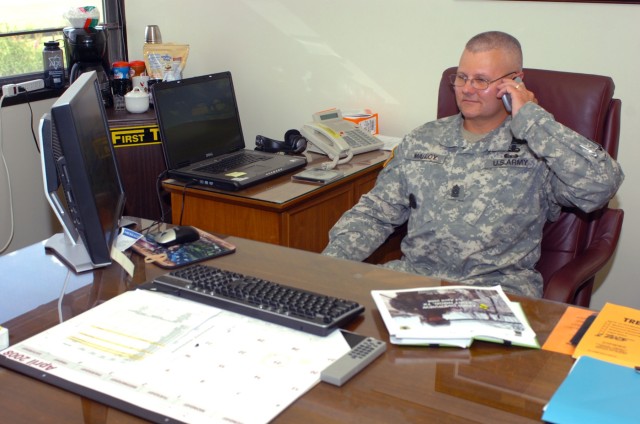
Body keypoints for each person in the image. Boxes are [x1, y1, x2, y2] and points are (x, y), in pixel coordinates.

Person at [322, 31, 624, 298]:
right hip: (415, 283)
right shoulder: (424, 139)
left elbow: (601, 185)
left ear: (515, 82)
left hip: (496, 294)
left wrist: (531, 117)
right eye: (462, 77)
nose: (467, 89)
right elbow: (375, 214)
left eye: (481, 80)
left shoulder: (539, 148)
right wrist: (326, 268)